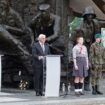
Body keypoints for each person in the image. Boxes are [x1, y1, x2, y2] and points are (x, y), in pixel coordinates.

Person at [77, 6, 100, 91]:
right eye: (88, 15)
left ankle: (87, 84)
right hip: (82, 47)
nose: (90, 17)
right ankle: (78, 84)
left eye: (91, 15)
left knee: (90, 66)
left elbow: (97, 37)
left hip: (91, 46)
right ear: (85, 16)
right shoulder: (80, 25)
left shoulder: (96, 24)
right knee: (81, 66)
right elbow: (76, 39)